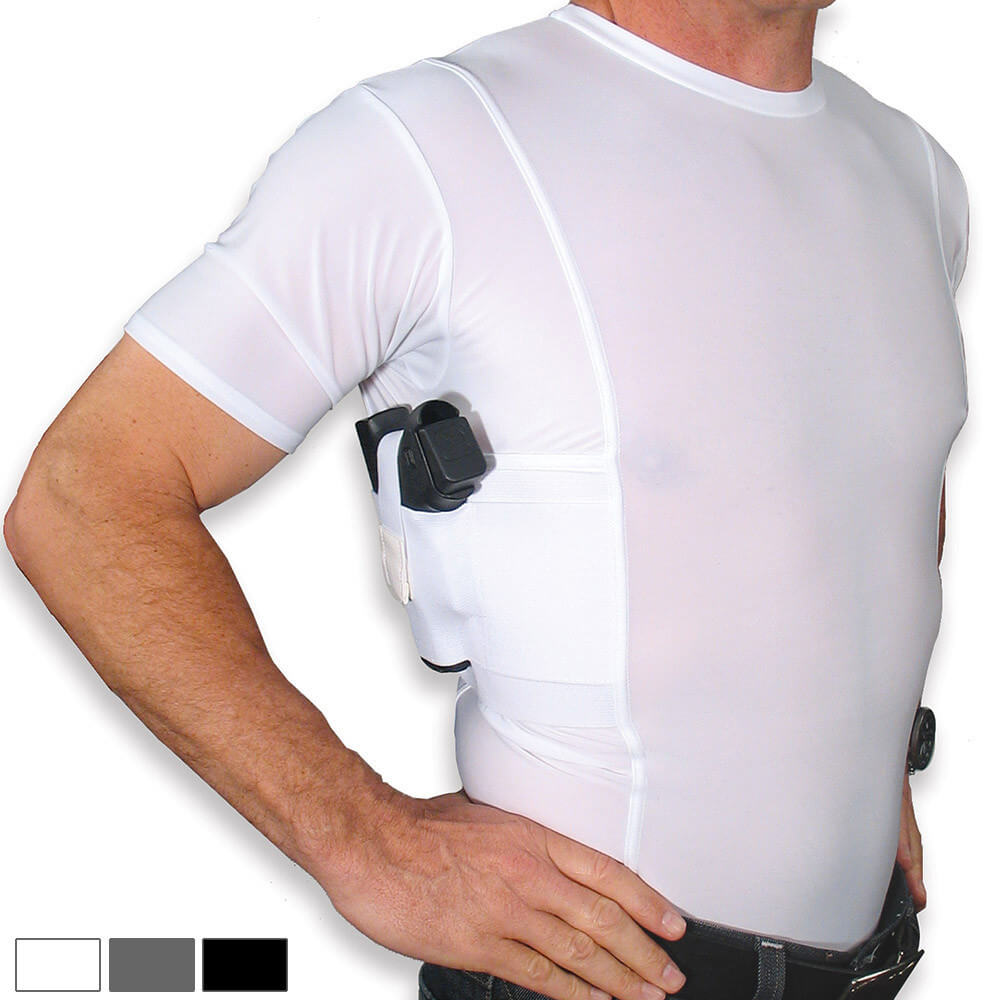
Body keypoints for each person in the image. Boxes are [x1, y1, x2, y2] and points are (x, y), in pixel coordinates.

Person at [3, 1, 970, 998]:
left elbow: (860, 487)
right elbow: (84, 495)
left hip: (872, 967)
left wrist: (865, 750)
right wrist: (364, 838)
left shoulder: (916, 173)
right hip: (592, 976)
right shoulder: (428, 145)